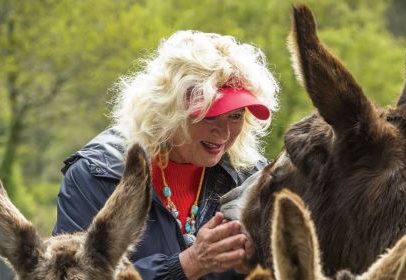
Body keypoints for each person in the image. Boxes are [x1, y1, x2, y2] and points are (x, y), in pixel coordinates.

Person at [52, 30, 279, 279]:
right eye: (209, 114)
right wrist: (188, 263)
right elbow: (71, 275)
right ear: (168, 111)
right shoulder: (98, 175)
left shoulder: (252, 178)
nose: (224, 132)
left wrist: (264, 257)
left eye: (236, 116)